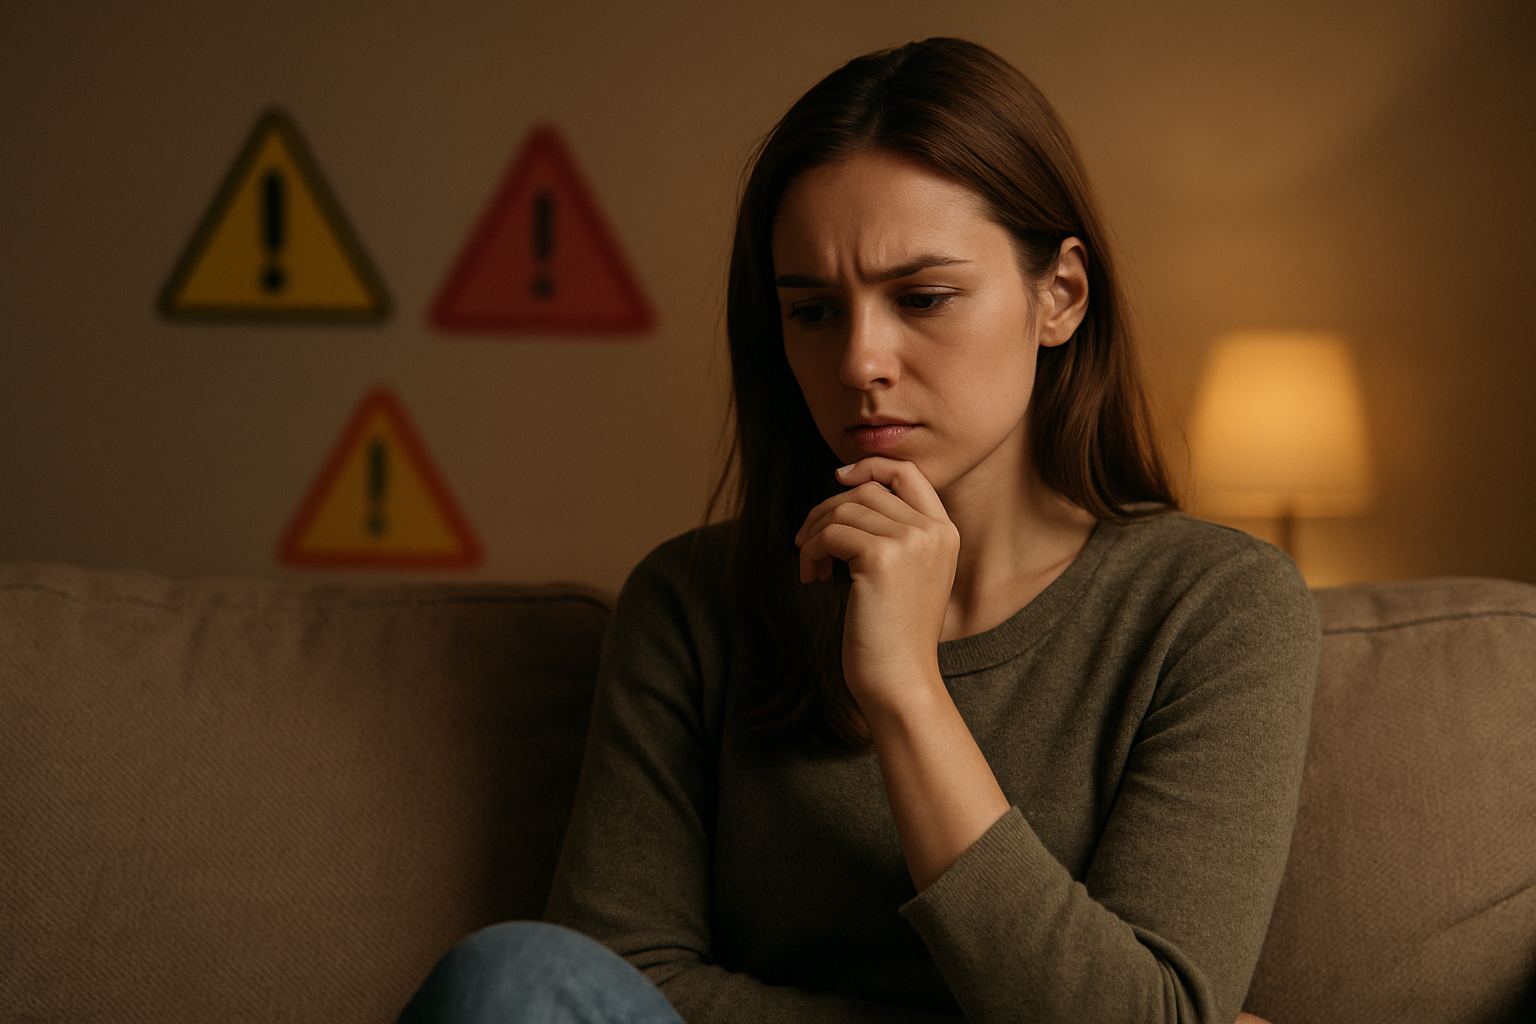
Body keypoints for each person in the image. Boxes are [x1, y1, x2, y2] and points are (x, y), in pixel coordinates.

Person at [398, 37, 1318, 1024]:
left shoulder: (1216, 605)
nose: (859, 361)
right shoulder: (693, 600)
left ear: (1059, 297)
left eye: (922, 298)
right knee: (511, 977)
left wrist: (906, 692)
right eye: (813, 311)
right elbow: (619, 981)